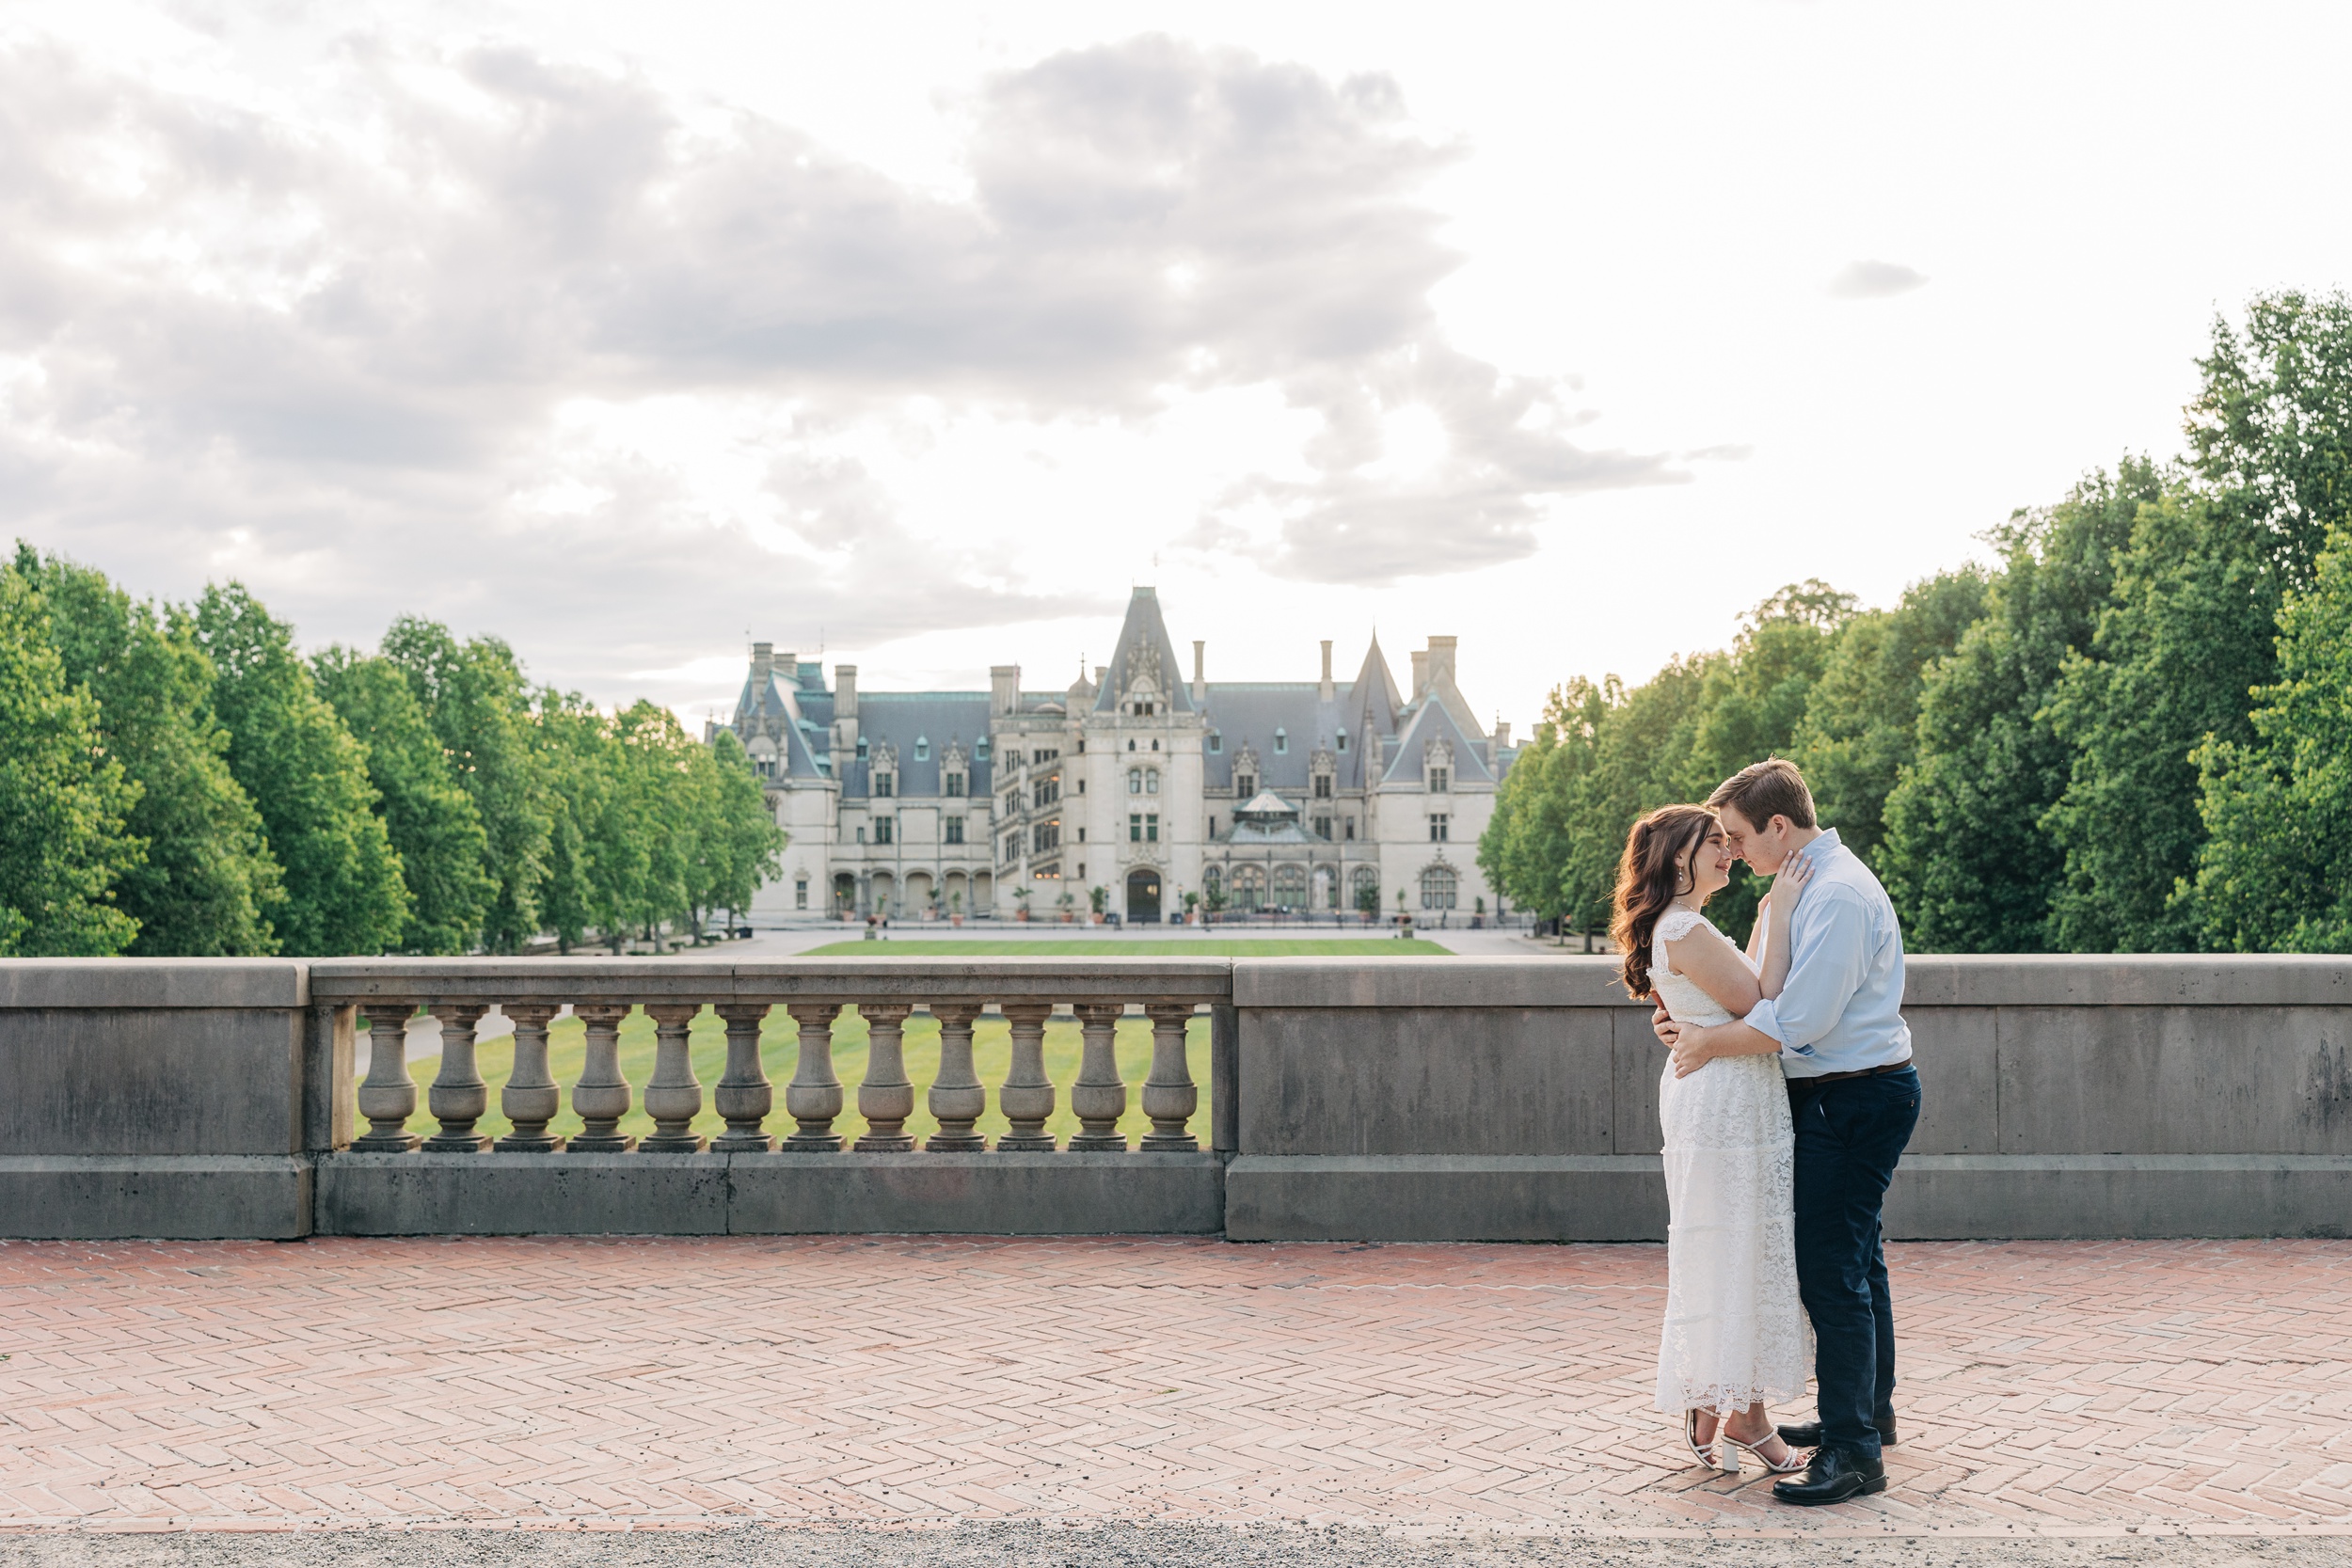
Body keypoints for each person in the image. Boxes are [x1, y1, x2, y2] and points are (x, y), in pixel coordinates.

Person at [1654, 758, 1922, 1507]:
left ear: (1778, 825)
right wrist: (1694, 1020)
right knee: (1857, 1262)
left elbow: (1797, 1021)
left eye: (1737, 835)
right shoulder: (1808, 887)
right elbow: (1749, 986)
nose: (1732, 849)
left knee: (1833, 1272)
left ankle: (1854, 1452)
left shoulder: (1833, 893)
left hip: (1853, 1096)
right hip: (1848, 1093)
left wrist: (1706, 1042)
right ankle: (1864, 1414)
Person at [1611, 804, 1812, 1478]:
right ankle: (1745, 1416)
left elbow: (1720, 996)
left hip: (1729, 1092)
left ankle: (1710, 1399)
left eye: (1729, 842)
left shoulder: (1686, 926)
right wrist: (1779, 908)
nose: (1729, 852)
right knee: (1738, 1248)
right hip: (1725, 1101)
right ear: (1678, 858)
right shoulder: (1685, 927)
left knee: (1732, 1246)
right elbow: (1764, 998)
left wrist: (1759, 920)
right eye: (1715, 844)